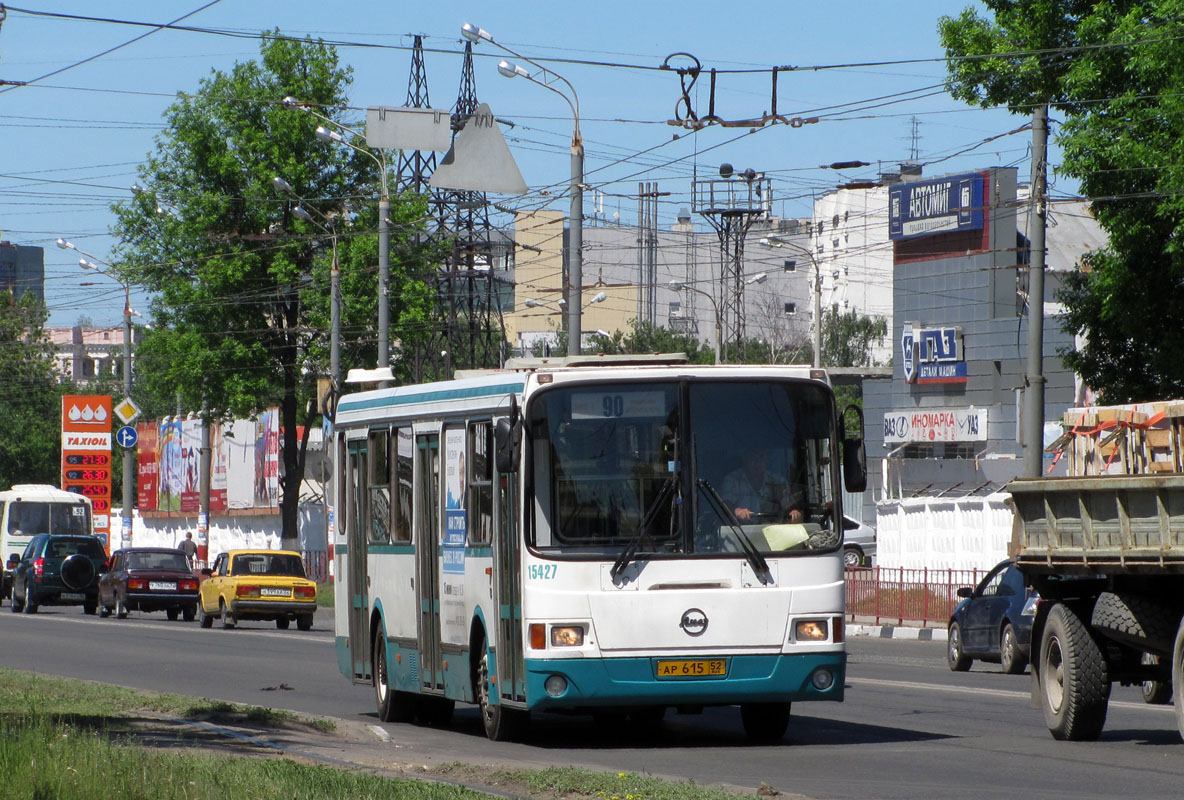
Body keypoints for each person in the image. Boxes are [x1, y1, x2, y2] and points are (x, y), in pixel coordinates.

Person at [721, 447, 805, 524]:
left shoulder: (777, 481)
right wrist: (736, 511)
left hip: (773, 533)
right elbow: (724, 505)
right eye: (753, 458)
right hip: (740, 535)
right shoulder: (732, 480)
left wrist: (795, 512)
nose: (757, 463)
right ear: (745, 460)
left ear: (766, 460)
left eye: (761, 458)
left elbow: (791, 506)